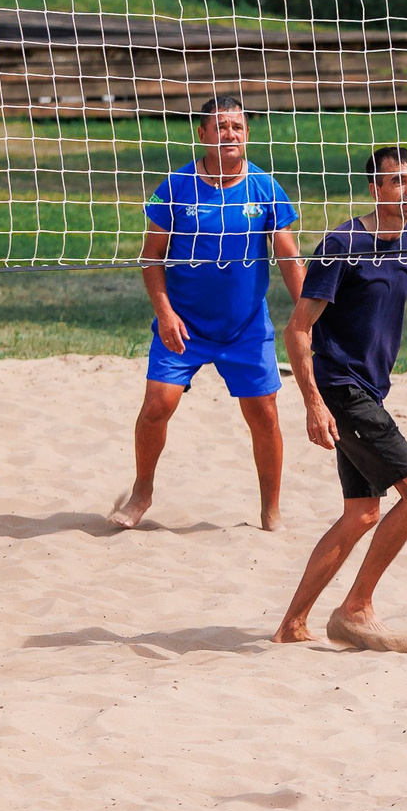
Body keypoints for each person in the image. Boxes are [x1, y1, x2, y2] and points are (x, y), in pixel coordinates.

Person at [274, 147, 407, 650]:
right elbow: (297, 330)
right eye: (398, 181)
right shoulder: (343, 243)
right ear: (375, 189)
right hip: (341, 388)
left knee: (361, 512)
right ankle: (356, 607)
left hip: (369, 392)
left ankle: (292, 625)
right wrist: (313, 402)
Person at [110, 96, 304, 531]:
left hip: (245, 326)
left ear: (247, 134)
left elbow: (289, 257)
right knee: (158, 406)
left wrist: (308, 314)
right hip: (184, 323)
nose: (230, 133)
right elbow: (150, 257)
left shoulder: (265, 188)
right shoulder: (177, 187)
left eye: (237, 126)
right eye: (220, 126)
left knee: (265, 413)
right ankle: (143, 490)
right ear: (202, 134)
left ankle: (270, 510)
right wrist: (164, 313)